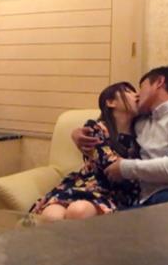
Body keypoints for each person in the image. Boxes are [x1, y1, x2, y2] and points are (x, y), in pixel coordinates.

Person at [73, 66, 168, 207]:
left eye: (141, 88)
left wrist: (124, 168)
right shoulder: (141, 122)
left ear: (159, 82)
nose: (138, 95)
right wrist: (77, 134)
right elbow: (109, 124)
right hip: (146, 200)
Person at [30, 82, 142, 222]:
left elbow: (119, 172)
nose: (136, 95)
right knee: (51, 215)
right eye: (128, 92)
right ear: (111, 102)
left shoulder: (143, 130)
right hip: (86, 185)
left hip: (115, 193)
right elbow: (106, 162)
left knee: (79, 211)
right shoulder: (95, 127)